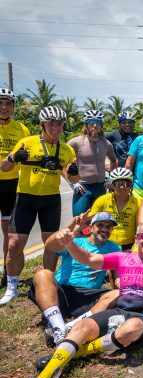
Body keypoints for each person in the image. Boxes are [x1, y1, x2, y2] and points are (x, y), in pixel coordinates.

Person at [7, 221, 143, 378]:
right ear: (136, 239)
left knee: (129, 330)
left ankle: (70, 355)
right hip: (119, 309)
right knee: (82, 326)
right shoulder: (122, 257)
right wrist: (70, 244)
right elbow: (88, 259)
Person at [1, 106, 79, 305]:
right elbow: (5, 166)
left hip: (50, 200)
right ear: (42, 125)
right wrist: (12, 158)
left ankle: (47, 282)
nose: (55, 128)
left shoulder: (67, 150)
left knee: (51, 244)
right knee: (13, 244)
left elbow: (72, 177)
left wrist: (74, 172)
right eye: (51, 124)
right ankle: (12, 288)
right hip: (25, 198)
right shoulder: (27, 142)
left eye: (59, 124)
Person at [30, 213, 120, 347]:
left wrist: (120, 283)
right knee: (43, 274)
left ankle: (70, 326)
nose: (104, 229)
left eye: (109, 226)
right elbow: (49, 245)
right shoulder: (76, 241)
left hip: (88, 296)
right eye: (100, 225)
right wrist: (68, 228)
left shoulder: (114, 248)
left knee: (117, 294)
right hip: (61, 291)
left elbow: (117, 273)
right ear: (91, 227)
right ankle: (58, 326)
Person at [0, 88, 30, 287]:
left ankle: (6, 270)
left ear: (13, 107)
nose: (4, 107)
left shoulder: (22, 129)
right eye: (1, 103)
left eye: (8, 103)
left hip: (11, 184)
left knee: (7, 232)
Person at [68, 110, 117, 216]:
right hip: (82, 188)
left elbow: (114, 160)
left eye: (98, 123)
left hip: (101, 187)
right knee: (79, 222)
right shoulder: (76, 142)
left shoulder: (106, 143)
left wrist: (111, 177)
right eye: (91, 122)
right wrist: (72, 182)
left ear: (101, 125)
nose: (95, 125)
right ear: (86, 124)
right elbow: (62, 162)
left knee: (100, 222)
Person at [89, 168, 140, 251]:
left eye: (126, 183)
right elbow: (90, 222)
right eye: (118, 183)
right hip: (105, 242)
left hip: (128, 245)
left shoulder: (138, 203)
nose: (122, 187)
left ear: (131, 185)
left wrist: (135, 248)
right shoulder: (102, 200)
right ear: (112, 185)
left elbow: (140, 229)